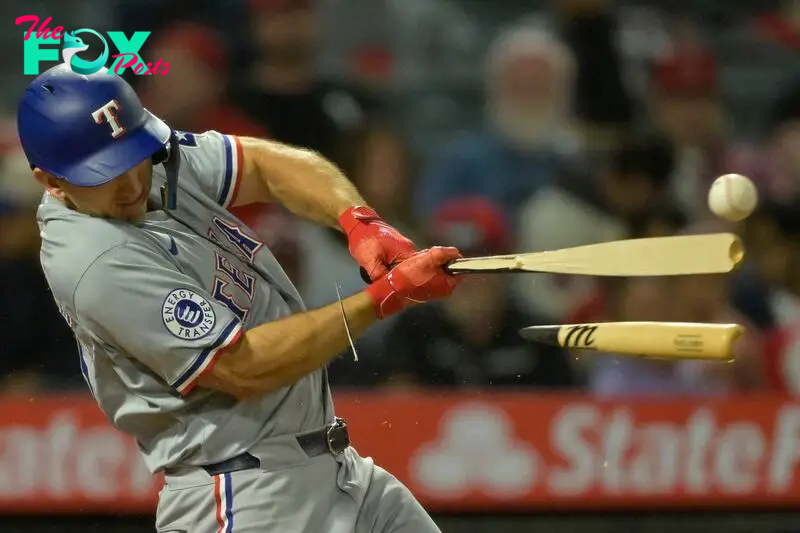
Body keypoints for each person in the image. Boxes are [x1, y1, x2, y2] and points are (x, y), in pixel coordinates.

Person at [17, 64, 461, 533]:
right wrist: (384, 297)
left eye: (134, 156)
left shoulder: (150, 164)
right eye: (105, 172)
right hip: (245, 494)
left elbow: (266, 166)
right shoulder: (95, 260)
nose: (132, 183)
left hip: (334, 465)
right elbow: (242, 367)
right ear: (52, 181)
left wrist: (358, 221)